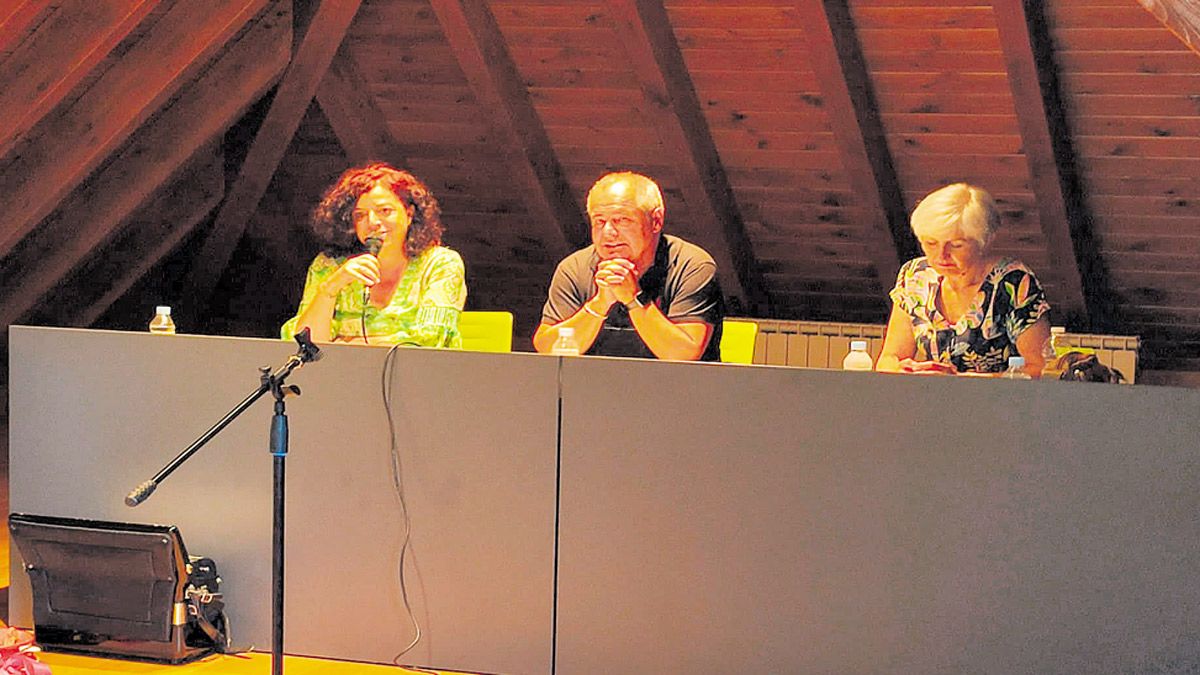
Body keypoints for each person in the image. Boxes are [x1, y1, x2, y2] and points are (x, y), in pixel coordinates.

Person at [534, 172, 724, 361]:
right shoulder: (574, 268)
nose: (608, 233)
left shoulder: (693, 266)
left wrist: (633, 299)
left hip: (677, 388)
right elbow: (547, 348)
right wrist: (599, 304)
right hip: (596, 386)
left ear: (656, 221)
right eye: (599, 221)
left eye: (622, 220)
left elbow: (685, 354)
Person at [281, 163, 466, 347]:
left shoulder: (440, 263)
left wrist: (347, 345)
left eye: (385, 211)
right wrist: (331, 288)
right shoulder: (328, 265)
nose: (373, 222)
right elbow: (304, 346)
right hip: (343, 375)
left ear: (409, 214)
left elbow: (431, 341)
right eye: (360, 215)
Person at [876, 183, 1051, 376]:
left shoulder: (1013, 282)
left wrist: (967, 382)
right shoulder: (916, 276)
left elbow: (1039, 368)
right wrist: (907, 370)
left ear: (984, 240)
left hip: (1000, 402)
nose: (941, 255)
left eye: (956, 245)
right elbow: (889, 359)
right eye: (931, 243)